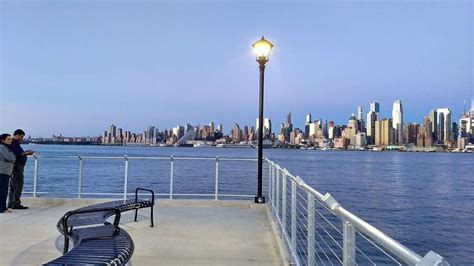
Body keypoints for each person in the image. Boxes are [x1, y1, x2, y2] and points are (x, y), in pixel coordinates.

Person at [7, 129, 33, 210]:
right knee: (18, 184)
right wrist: (27, 152)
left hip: (15, 166)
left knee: (13, 184)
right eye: (21, 137)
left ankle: (11, 203)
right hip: (17, 166)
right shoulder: (14, 143)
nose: (22, 139)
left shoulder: (14, 143)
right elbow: (17, 154)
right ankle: (16, 204)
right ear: (17, 135)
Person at [0, 134, 16, 213]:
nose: (10, 141)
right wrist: (12, 157)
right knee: (3, 190)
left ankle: (2, 208)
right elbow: (11, 158)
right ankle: (2, 209)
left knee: (3, 190)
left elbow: (11, 158)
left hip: (5, 171)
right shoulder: (2, 147)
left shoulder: (6, 147)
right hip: (3, 171)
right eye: (8, 139)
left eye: (11, 139)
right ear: (3, 140)